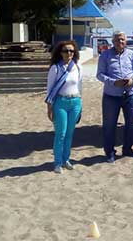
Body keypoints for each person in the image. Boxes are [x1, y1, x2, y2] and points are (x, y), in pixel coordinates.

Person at [97, 31, 133, 163]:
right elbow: (99, 74)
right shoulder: (105, 55)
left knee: (131, 124)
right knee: (109, 125)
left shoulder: (132, 54)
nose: (120, 42)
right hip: (111, 96)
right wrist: (113, 82)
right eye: (117, 40)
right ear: (113, 41)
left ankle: (128, 149)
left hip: (130, 94)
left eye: (122, 39)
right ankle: (110, 152)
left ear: (125, 41)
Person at [45, 40, 83, 173]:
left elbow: (80, 86)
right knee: (60, 133)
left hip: (75, 102)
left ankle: (66, 159)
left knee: (69, 133)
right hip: (60, 102)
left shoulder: (78, 67)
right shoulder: (55, 68)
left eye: (71, 51)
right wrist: (49, 108)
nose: (69, 53)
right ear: (60, 53)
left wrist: (80, 104)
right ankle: (57, 162)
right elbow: (49, 89)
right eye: (66, 51)